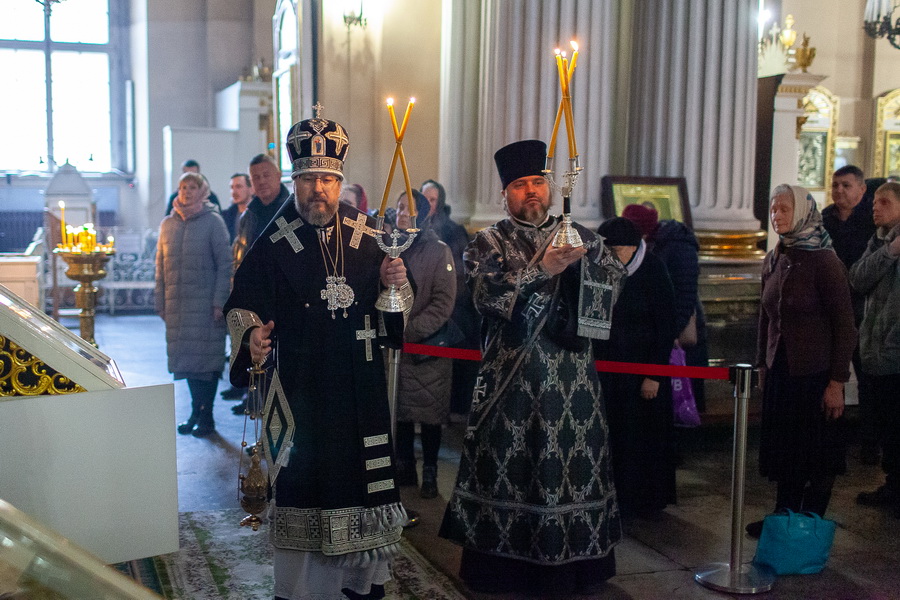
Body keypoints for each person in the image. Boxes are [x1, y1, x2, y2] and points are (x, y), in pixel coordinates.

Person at [223, 111, 411, 600]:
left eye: (328, 179)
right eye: (309, 179)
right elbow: (242, 304)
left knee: (362, 487)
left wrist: (397, 285)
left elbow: (395, 319)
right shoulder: (273, 242)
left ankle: (360, 587)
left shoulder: (370, 235)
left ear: (340, 181)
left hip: (360, 391)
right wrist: (250, 340)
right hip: (301, 393)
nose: (319, 190)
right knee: (305, 487)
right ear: (296, 181)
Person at [439, 140, 625, 596]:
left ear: (549, 186)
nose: (531, 192)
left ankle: (577, 569)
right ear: (506, 194)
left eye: (537, 182)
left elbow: (615, 280)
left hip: (574, 385)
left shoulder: (579, 236)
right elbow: (486, 298)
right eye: (520, 185)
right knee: (513, 469)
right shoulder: (487, 242)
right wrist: (541, 269)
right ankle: (502, 570)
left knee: (568, 472)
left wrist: (588, 272)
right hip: (512, 388)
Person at [746, 184, 856, 538]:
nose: (776, 216)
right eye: (774, 209)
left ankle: (810, 524)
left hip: (816, 375)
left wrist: (837, 383)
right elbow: (767, 316)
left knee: (817, 452)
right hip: (782, 371)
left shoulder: (824, 261)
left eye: (784, 209)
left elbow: (845, 325)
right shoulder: (776, 256)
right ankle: (784, 518)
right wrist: (763, 364)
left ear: (804, 212)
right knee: (786, 450)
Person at [594, 217, 678, 517]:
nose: (612, 258)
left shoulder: (653, 269)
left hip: (644, 374)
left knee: (641, 439)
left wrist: (653, 374)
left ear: (632, 248)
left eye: (617, 252)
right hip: (609, 373)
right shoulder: (600, 271)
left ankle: (643, 500)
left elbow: (666, 324)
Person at [155, 172, 232, 437]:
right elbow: (160, 267)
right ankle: (194, 413)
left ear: (202, 190)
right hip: (177, 306)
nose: (187, 191)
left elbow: (225, 265)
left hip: (205, 306)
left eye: (192, 187)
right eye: (183, 187)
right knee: (187, 363)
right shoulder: (168, 223)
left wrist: (219, 302)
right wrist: (160, 302)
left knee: (206, 364)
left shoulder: (214, 222)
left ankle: (207, 416)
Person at [393, 190, 457, 499]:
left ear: (420, 214)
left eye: (406, 209)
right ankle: (405, 468)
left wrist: (409, 330)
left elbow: (443, 303)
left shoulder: (438, 250)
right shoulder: (390, 247)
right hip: (398, 349)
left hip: (428, 349)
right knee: (402, 412)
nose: (400, 213)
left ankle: (430, 471)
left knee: (430, 415)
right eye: (398, 207)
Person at [621, 202, 709, 411]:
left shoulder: (678, 246)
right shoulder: (652, 245)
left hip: (682, 337)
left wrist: (669, 335)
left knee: (685, 403)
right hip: (661, 337)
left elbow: (685, 296)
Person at [849, 182, 900, 517]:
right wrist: (891, 251)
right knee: (885, 425)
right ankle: (893, 484)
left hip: (894, 351)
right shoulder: (879, 240)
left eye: (884, 202)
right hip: (875, 350)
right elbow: (856, 278)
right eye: (874, 202)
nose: (875, 207)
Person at [822, 165, 878, 464]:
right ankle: (833, 435)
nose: (839, 191)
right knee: (832, 374)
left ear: (861, 189)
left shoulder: (871, 222)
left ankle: (870, 441)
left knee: (867, 376)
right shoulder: (826, 219)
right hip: (832, 308)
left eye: (846, 185)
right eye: (835, 185)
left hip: (862, 309)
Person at [228, 153, 291, 413]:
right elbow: (239, 259)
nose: (262, 181)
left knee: (287, 374)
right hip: (257, 302)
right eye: (256, 177)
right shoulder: (249, 215)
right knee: (261, 371)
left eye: (266, 175)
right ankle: (265, 436)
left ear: (278, 175)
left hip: (289, 302)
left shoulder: (293, 208)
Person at [420, 179, 479, 420]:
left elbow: (459, 273)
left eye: (432, 200)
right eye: (424, 200)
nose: (428, 204)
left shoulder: (454, 231)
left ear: (440, 202)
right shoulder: (414, 229)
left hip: (453, 308)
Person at [221, 172, 253, 243]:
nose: (233, 192)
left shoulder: (259, 214)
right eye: (232, 187)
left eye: (238, 186)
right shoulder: (226, 216)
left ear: (251, 189)